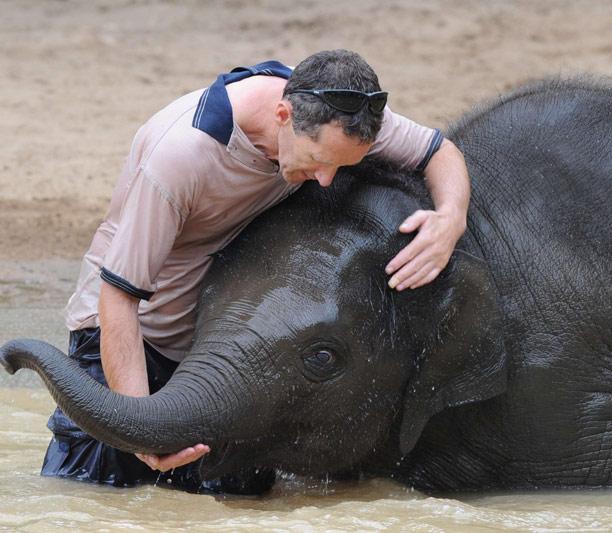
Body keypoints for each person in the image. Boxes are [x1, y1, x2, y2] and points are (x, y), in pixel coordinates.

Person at [44, 49, 470, 492]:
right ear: (283, 115)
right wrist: (136, 425)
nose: (326, 180)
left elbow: (441, 152)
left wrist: (449, 219)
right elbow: (118, 298)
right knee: (91, 495)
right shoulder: (183, 157)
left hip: (225, 348)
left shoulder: (338, 116)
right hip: (128, 338)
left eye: (342, 166)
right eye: (318, 162)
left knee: (234, 505)